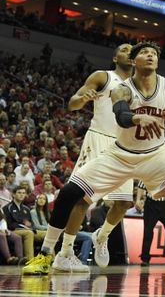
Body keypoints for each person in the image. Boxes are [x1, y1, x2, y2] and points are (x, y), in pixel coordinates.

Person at [22, 42, 165, 275]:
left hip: (156, 155)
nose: (150, 55)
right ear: (134, 61)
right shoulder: (121, 89)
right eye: (144, 53)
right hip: (119, 154)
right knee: (70, 193)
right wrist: (137, 119)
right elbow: (121, 114)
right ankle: (47, 254)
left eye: (154, 54)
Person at [48, 44, 135, 274]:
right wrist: (83, 99)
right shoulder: (103, 77)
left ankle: (102, 235)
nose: (130, 51)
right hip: (98, 139)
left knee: (124, 202)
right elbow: (73, 102)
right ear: (115, 57)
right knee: (83, 200)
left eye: (133, 49)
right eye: (125, 48)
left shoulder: (140, 86)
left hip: (124, 146)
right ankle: (65, 252)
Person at [138, 183, 165, 266]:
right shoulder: (148, 171)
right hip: (151, 204)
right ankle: (145, 259)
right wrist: (137, 200)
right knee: (148, 232)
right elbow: (141, 186)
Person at [4, 186, 44, 261]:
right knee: (28, 233)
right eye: (19, 193)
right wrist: (23, 225)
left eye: (23, 193)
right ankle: (30, 260)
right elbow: (8, 224)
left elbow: (30, 223)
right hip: (14, 230)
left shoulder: (26, 208)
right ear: (13, 194)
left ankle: (50, 259)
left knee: (47, 234)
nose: (21, 195)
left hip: (28, 230)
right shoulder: (7, 207)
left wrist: (30, 225)